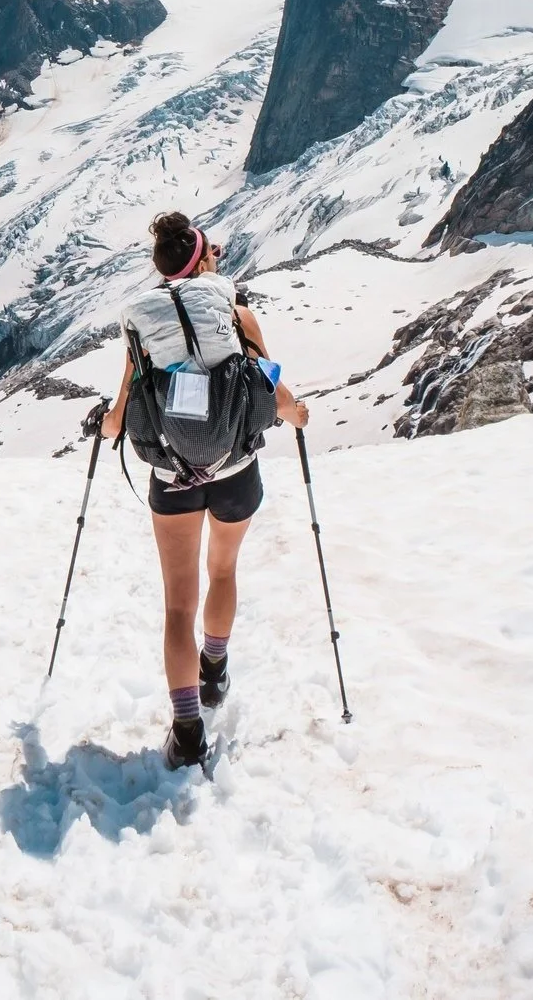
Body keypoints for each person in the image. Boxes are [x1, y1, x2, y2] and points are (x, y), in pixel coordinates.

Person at [101, 211, 310, 769]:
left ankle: (187, 729)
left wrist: (106, 424)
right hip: (236, 468)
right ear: (204, 260)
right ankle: (214, 670)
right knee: (223, 571)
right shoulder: (235, 313)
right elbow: (266, 378)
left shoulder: (143, 327)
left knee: (177, 603)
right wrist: (296, 412)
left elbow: (121, 415)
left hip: (172, 477)